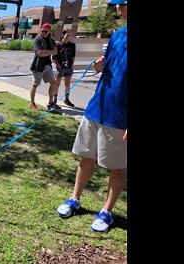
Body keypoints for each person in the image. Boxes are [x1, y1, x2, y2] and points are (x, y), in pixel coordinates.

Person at [56, 0, 127, 233]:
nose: (119, 8)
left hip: (120, 116)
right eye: (117, 4)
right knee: (86, 158)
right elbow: (109, 68)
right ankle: (74, 198)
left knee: (117, 168)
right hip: (97, 108)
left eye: (123, 3)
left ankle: (106, 211)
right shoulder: (118, 35)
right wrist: (99, 66)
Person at [29, 23, 58, 110]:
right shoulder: (37, 40)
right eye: (42, 31)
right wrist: (49, 52)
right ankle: (32, 103)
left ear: (49, 32)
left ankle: (51, 102)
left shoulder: (51, 40)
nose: (44, 32)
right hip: (38, 66)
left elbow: (55, 52)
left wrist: (45, 51)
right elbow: (39, 53)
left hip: (47, 65)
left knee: (53, 83)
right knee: (35, 84)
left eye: (46, 31)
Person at [52, 29, 76, 107]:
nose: (68, 37)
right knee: (57, 84)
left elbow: (73, 56)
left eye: (70, 35)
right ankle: (54, 100)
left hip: (68, 68)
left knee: (67, 84)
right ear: (63, 35)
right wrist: (59, 66)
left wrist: (72, 66)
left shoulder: (72, 45)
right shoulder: (58, 45)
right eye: (67, 35)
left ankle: (67, 99)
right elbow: (54, 58)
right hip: (60, 68)